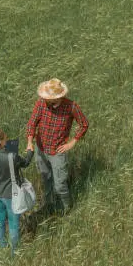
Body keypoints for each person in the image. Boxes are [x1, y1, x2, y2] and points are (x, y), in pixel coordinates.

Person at [26, 78, 89, 214]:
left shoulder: (71, 107)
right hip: (41, 149)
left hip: (58, 152)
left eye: (48, 98)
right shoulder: (41, 103)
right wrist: (30, 141)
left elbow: (84, 124)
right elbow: (32, 123)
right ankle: (50, 205)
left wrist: (73, 142)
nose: (45, 99)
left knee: (60, 185)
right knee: (46, 179)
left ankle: (68, 209)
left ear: (59, 97)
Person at [0, 128, 34, 254]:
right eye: (5, 138)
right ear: (1, 142)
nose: (7, 138)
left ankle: (2, 245)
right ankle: (14, 252)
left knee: (0, 220)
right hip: (11, 195)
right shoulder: (12, 156)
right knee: (13, 224)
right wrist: (30, 151)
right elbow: (26, 163)